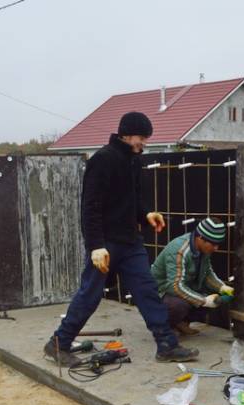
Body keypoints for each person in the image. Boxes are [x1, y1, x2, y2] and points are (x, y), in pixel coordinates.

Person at [44, 111, 199, 365]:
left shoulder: (133, 161)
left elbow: (134, 199)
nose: (144, 143)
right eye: (142, 137)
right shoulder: (102, 160)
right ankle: (58, 343)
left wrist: (147, 213)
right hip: (105, 244)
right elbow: (90, 206)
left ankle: (166, 345)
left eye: (147, 139)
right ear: (126, 133)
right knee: (90, 295)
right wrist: (95, 246)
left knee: (147, 291)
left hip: (130, 241)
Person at [151, 217, 234, 337]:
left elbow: (208, 274)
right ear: (200, 238)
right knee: (179, 305)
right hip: (160, 293)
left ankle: (181, 323)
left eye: (218, 244)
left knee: (215, 295)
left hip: (179, 288)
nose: (216, 248)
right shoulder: (179, 250)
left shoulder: (203, 250)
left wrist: (222, 288)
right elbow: (175, 286)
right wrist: (204, 301)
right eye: (213, 244)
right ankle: (164, 329)